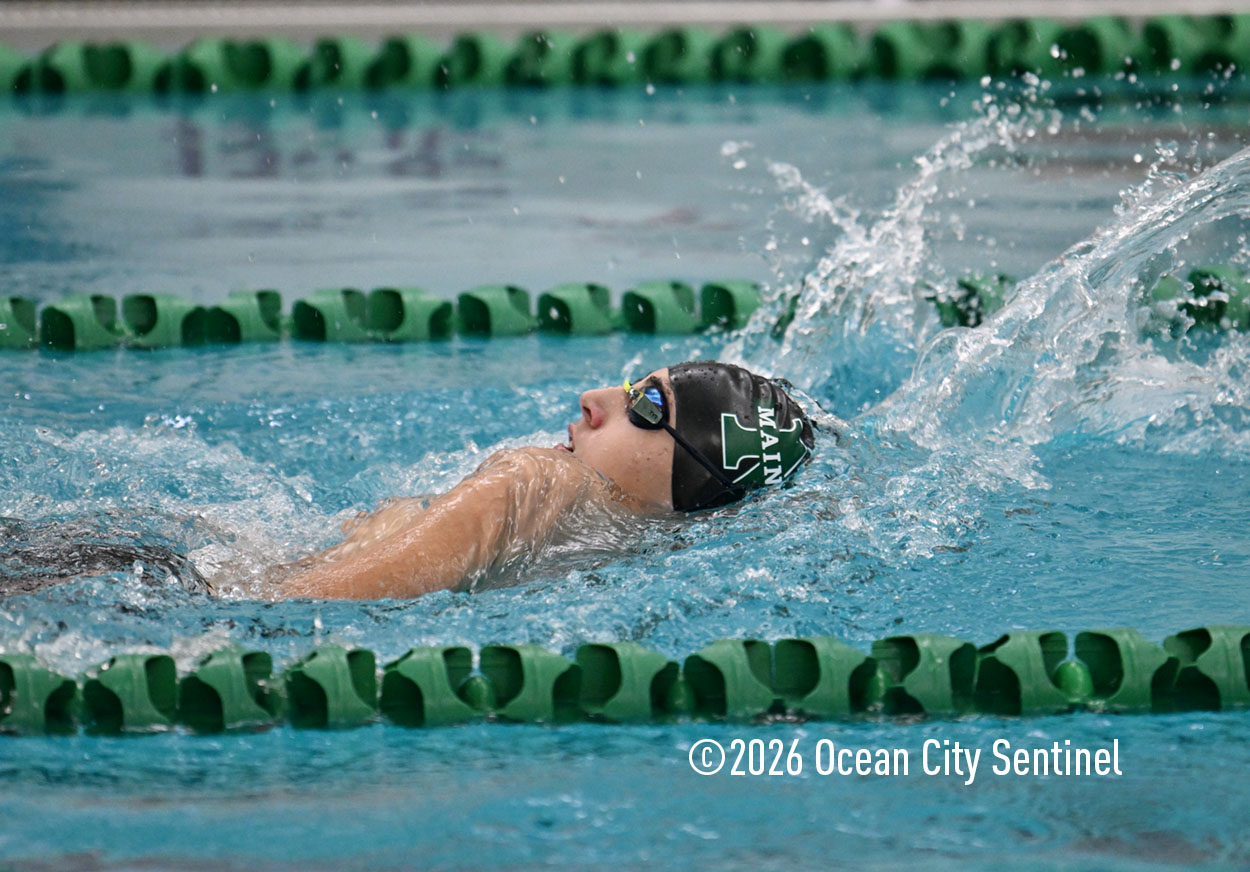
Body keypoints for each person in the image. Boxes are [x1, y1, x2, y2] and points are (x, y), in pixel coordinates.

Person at [274, 361, 816, 600]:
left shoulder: (537, 479)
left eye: (646, 405)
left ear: (694, 484)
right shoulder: (627, 559)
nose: (593, 399)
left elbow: (298, 604)